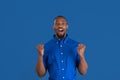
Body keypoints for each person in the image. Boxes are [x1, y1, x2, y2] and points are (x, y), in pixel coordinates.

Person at [36, 16, 88, 80]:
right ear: (53, 27)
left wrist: (82, 56)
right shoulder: (46, 47)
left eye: (63, 23)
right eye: (57, 24)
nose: (60, 26)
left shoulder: (76, 46)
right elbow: (40, 74)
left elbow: (83, 72)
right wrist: (40, 55)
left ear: (67, 26)